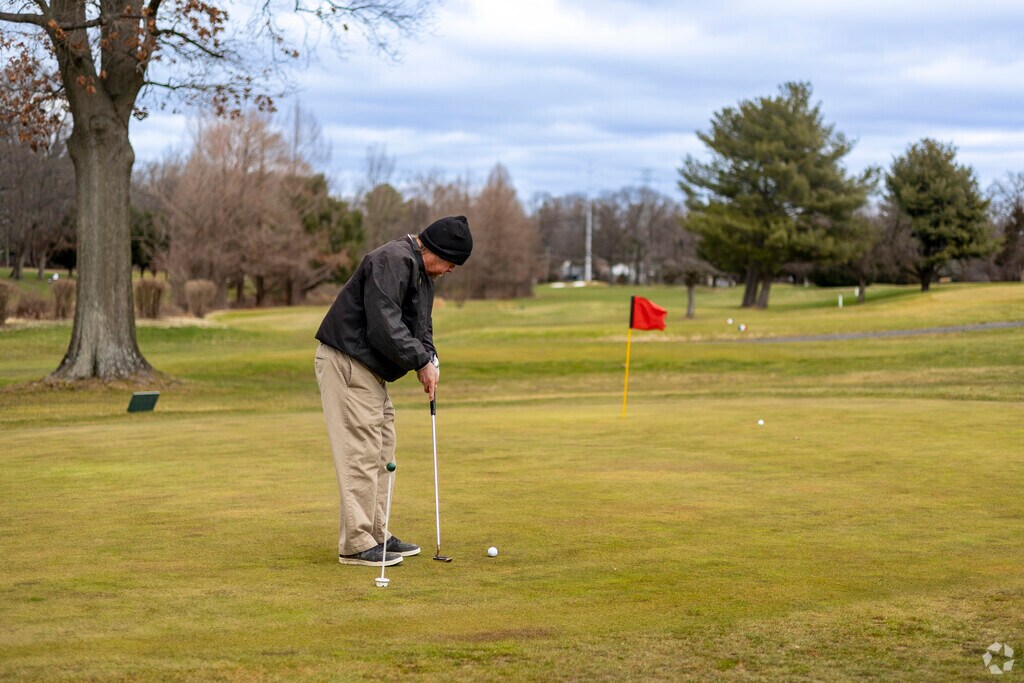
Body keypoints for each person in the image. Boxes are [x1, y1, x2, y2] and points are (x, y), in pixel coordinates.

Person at [314, 216, 473, 567]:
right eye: (450, 263)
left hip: (371, 371)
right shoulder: (391, 260)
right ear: (436, 251)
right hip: (347, 362)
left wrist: (429, 357)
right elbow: (384, 323)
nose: (450, 270)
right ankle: (356, 543)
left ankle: (376, 534)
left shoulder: (423, 273)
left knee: (382, 448)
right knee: (361, 451)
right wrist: (419, 361)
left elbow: (421, 325)